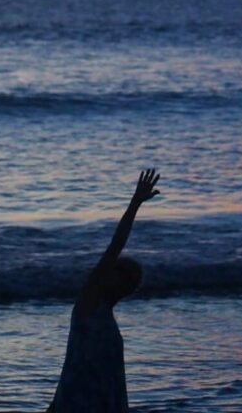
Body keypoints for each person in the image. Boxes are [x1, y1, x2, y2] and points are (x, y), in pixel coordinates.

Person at [46, 168, 160, 413]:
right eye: (123, 273)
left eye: (132, 280)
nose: (128, 281)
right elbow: (115, 245)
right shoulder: (89, 302)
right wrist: (135, 203)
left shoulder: (107, 318)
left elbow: (114, 380)